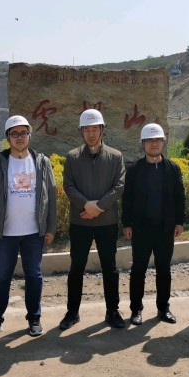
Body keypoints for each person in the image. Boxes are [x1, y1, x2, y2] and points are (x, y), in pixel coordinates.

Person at [0, 115, 57, 340]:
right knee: (2, 277)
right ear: (8, 138)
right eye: (15, 134)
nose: (20, 137)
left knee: (34, 275)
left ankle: (34, 318)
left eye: (23, 133)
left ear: (29, 136)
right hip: (6, 234)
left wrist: (50, 227)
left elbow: (51, 196)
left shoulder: (41, 161)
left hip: (34, 232)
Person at [60, 108, 126, 330]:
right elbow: (68, 185)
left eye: (94, 129)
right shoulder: (73, 157)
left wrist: (97, 207)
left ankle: (112, 311)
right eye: (86, 130)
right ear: (81, 131)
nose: (91, 134)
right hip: (80, 222)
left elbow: (119, 186)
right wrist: (85, 205)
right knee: (76, 267)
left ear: (102, 130)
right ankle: (72, 312)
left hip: (106, 222)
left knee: (110, 268)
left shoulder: (115, 157)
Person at [122, 123, 185, 325]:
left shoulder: (172, 169)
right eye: (149, 140)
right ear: (143, 144)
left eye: (157, 140)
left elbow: (179, 197)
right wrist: (127, 224)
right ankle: (136, 310)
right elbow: (127, 199)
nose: (154, 144)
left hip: (165, 229)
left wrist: (179, 222)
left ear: (163, 143)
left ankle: (163, 308)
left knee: (164, 269)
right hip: (141, 229)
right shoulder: (134, 170)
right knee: (138, 270)